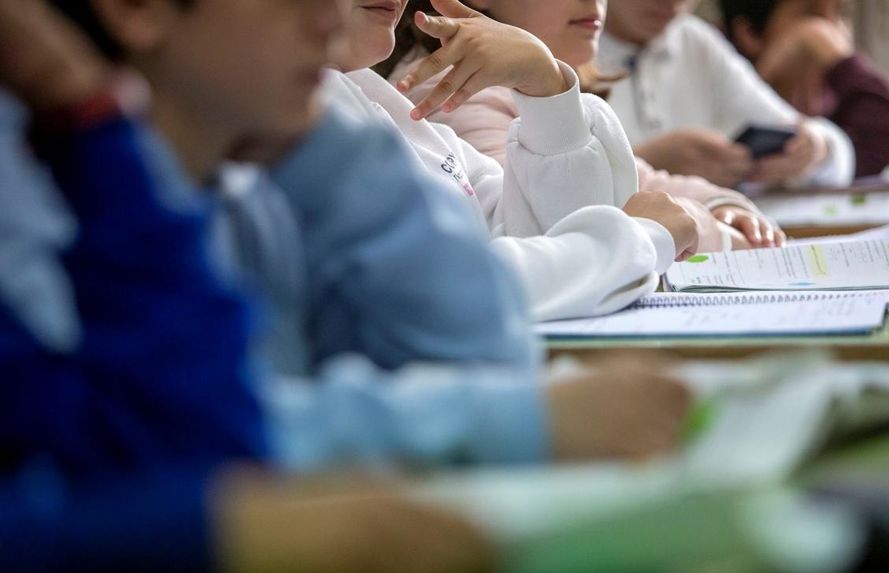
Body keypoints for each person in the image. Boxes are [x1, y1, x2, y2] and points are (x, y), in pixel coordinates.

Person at [43, 0, 694, 472]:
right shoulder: (58, 201)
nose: (326, 19)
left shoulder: (260, 167)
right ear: (136, 8)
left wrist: (550, 88)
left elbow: (482, 346)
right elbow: (189, 445)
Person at [0, 3, 494, 573]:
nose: (329, 19)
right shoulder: (37, 196)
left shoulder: (241, 190)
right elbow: (185, 471)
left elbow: (219, 453)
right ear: (138, 8)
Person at [328, 0, 709, 321]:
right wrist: (640, 239)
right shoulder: (299, 119)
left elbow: (539, 234)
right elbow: (440, 290)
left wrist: (548, 89)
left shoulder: (369, 96)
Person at [385, 0, 785, 249]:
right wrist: (704, 226)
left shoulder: (522, 90)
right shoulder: (452, 93)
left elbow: (637, 182)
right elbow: (573, 230)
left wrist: (722, 204)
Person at [590, 0, 854, 188]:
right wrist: (644, 164)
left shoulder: (693, 40)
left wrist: (816, 148)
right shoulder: (563, 45)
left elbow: (831, 149)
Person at [718, 0, 889, 178]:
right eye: (810, 15)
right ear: (749, 33)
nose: (833, 34)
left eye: (842, 12)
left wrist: (842, 64)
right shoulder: (722, 118)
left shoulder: (852, 111)